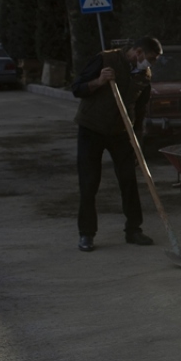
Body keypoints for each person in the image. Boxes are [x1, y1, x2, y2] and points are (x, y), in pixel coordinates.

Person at [71, 37, 163, 252]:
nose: (151, 64)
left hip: (122, 131)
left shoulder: (144, 74)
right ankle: (86, 234)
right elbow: (77, 88)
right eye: (150, 59)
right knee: (89, 182)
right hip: (91, 128)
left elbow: (140, 109)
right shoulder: (105, 60)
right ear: (138, 52)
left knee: (128, 180)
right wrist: (98, 82)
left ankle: (134, 230)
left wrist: (137, 139)